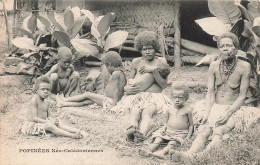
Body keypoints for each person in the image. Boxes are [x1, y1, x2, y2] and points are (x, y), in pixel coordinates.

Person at [171, 32, 260, 160]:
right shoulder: (214, 66)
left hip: (234, 109)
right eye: (222, 46)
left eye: (229, 45)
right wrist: (207, 112)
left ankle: (201, 156)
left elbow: (241, 97)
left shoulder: (244, 66)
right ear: (219, 49)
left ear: (236, 48)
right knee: (204, 130)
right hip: (215, 107)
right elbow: (211, 92)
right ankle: (189, 154)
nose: (225, 49)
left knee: (219, 130)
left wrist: (228, 113)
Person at [112, 31, 173, 142]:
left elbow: (164, 85)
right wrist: (126, 89)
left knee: (147, 112)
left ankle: (142, 133)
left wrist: (154, 72)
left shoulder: (161, 61)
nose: (148, 52)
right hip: (137, 95)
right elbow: (129, 82)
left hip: (155, 97)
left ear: (155, 48)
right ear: (140, 49)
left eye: (150, 48)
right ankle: (131, 130)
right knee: (135, 111)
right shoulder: (136, 62)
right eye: (144, 49)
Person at [18, 76, 86, 139]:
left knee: (58, 124)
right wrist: (48, 122)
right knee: (50, 126)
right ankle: (71, 135)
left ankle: (80, 131)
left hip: (44, 123)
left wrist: (53, 120)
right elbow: (34, 118)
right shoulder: (34, 101)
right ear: (36, 91)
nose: (45, 91)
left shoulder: (47, 102)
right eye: (43, 89)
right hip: (34, 125)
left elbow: (49, 116)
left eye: (47, 89)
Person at [57, 51, 127, 112]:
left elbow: (116, 91)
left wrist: (113, 106)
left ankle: (64, 100)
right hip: (109, 100)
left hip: (110, 101)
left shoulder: (116, 73)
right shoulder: (120, 73)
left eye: (106, 66)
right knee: (87, 101)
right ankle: (63, 104)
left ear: (109, 65)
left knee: (87, 94)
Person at [139, 85, 193, 159]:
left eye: (180, 98)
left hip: (180, 133)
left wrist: (188, 137)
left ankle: (162, 152)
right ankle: (149, 149)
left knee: (172, 143)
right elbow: (166, 122)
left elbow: (191, 125)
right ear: (171, 98)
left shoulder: (188, 111)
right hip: (168, 131)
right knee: (158, 138)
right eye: (175, 97)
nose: (177, 100)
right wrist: (164, 128)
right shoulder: (169, 109)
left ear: (186, 99)